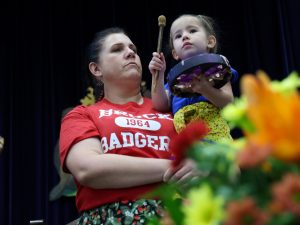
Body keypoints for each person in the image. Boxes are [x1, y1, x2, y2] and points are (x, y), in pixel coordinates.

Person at [59, 27, 199, 225]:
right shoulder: (82, 115)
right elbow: (87, 169)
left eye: (133, 48)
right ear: (96, 69)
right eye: (117, 49)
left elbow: (202, 162)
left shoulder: (174, 111)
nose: (131, 52)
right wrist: (173, 167)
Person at [149, 14, 238, 142]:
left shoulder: (217, 68)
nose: (185, 36)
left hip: (215, 141)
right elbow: (160, 105)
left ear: (210, 42)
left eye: (192, 31)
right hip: (186, 146)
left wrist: (205, 89)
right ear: (175, 53)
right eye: (178, 36)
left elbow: (228, 103)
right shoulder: (175, 80)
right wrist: (158, 74)